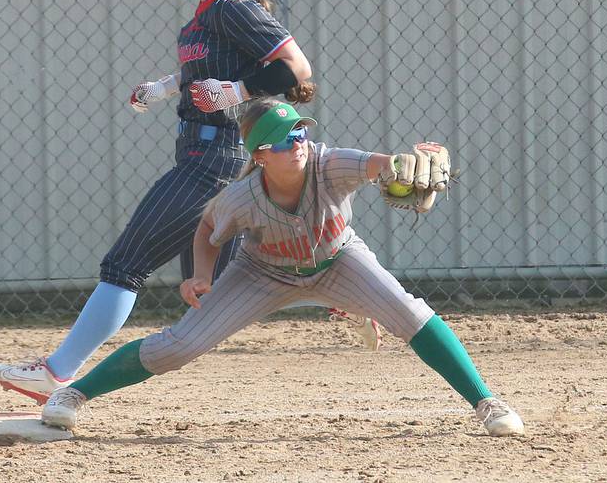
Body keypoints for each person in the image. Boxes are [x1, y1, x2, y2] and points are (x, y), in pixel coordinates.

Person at [0, 0, 379, 404]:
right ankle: (336, 290)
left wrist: (235, 93)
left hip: (213, 160)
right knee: (233, 285)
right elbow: (208, 68)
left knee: (126, 264)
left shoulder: (233, 5)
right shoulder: (207, 13)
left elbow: (294, 69)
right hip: (207, 154)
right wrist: (166, 87)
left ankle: (56, 372)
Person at [39, 99, 525, 438]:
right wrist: (200, 275)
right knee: (180, 346)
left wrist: (406, 163)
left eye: (298, 130)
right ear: (258, 156)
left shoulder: (327, 164)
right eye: (280, 138)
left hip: (339, 259)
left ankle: (487, 402)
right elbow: (208, 228)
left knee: (409, 314)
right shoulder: (243, 196)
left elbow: (379, 164)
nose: (295, 141)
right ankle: (72, 396)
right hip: (262, 274)